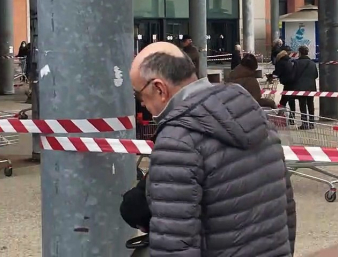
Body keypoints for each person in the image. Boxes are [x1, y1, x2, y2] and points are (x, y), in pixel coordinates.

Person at [129, 42, 296, 256]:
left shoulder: (177, 141)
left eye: (139, 95)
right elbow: (287, 211)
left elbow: (174, 245)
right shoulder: (256, 116)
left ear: (160, 88)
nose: (141, 104)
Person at [292, 46, 318, 129]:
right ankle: (311, 123)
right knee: (311, 104)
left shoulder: (297, 63)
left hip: (300, 87)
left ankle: (304, 123)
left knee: (302, 105)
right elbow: (316, 75)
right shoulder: (312, 63)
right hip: (311, 87)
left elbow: (294, 75)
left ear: (300, 53)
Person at [274, 50, 297, 118]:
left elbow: (277, 73)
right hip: (292, 82)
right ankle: (292, 117)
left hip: (287, 82)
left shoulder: (281, 62)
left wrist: (272, 75)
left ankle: (280, 115)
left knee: (283, 100)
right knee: (291, 100)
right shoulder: (290, 61)